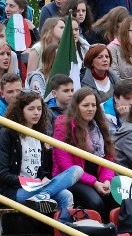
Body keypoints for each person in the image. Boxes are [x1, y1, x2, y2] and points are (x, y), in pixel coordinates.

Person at [0, 91, 82, 219]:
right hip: (14, 190)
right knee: (60, 192)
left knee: (75, 175)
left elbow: (42, 170)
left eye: (39, 108)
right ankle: (44, 195)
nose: (36, 113)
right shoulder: (7, 134)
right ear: (20, 111)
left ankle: (62, 231)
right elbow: (2, 174)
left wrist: (43, 178)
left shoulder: (41, 135)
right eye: (31, 109)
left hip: (38, 187)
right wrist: (26, 181)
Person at [52, 87, 116, 219]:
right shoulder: (63, 126)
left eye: (93, 105)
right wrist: (94, 183)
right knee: (95, 202)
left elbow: (108, 158)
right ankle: (99, 235)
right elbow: (66, 166)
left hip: (98, 178)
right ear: (76, 107)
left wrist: (106, 180)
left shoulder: (100, 125)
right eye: (85, 105)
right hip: (72, 179)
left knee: (117, 199)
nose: (91, 109)